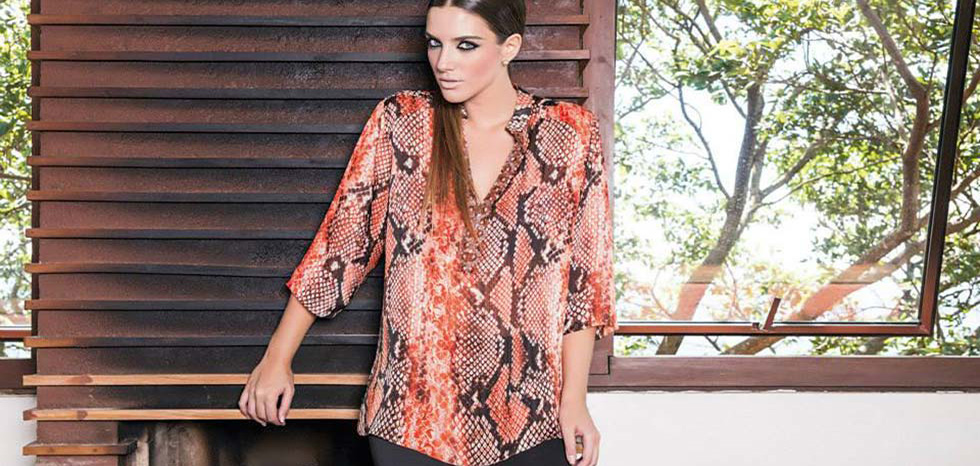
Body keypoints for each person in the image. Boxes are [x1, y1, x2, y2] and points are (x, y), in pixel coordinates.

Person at [238, 1, 618, 465]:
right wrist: (278, 358)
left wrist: (574, 400)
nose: (443, 62)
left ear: (509, 47)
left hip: (530, 417)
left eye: (466, 45)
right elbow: (341, 246)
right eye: (435, 43)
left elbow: (584, 283)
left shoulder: (571, 133)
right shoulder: (401, 121)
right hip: (412, 415)